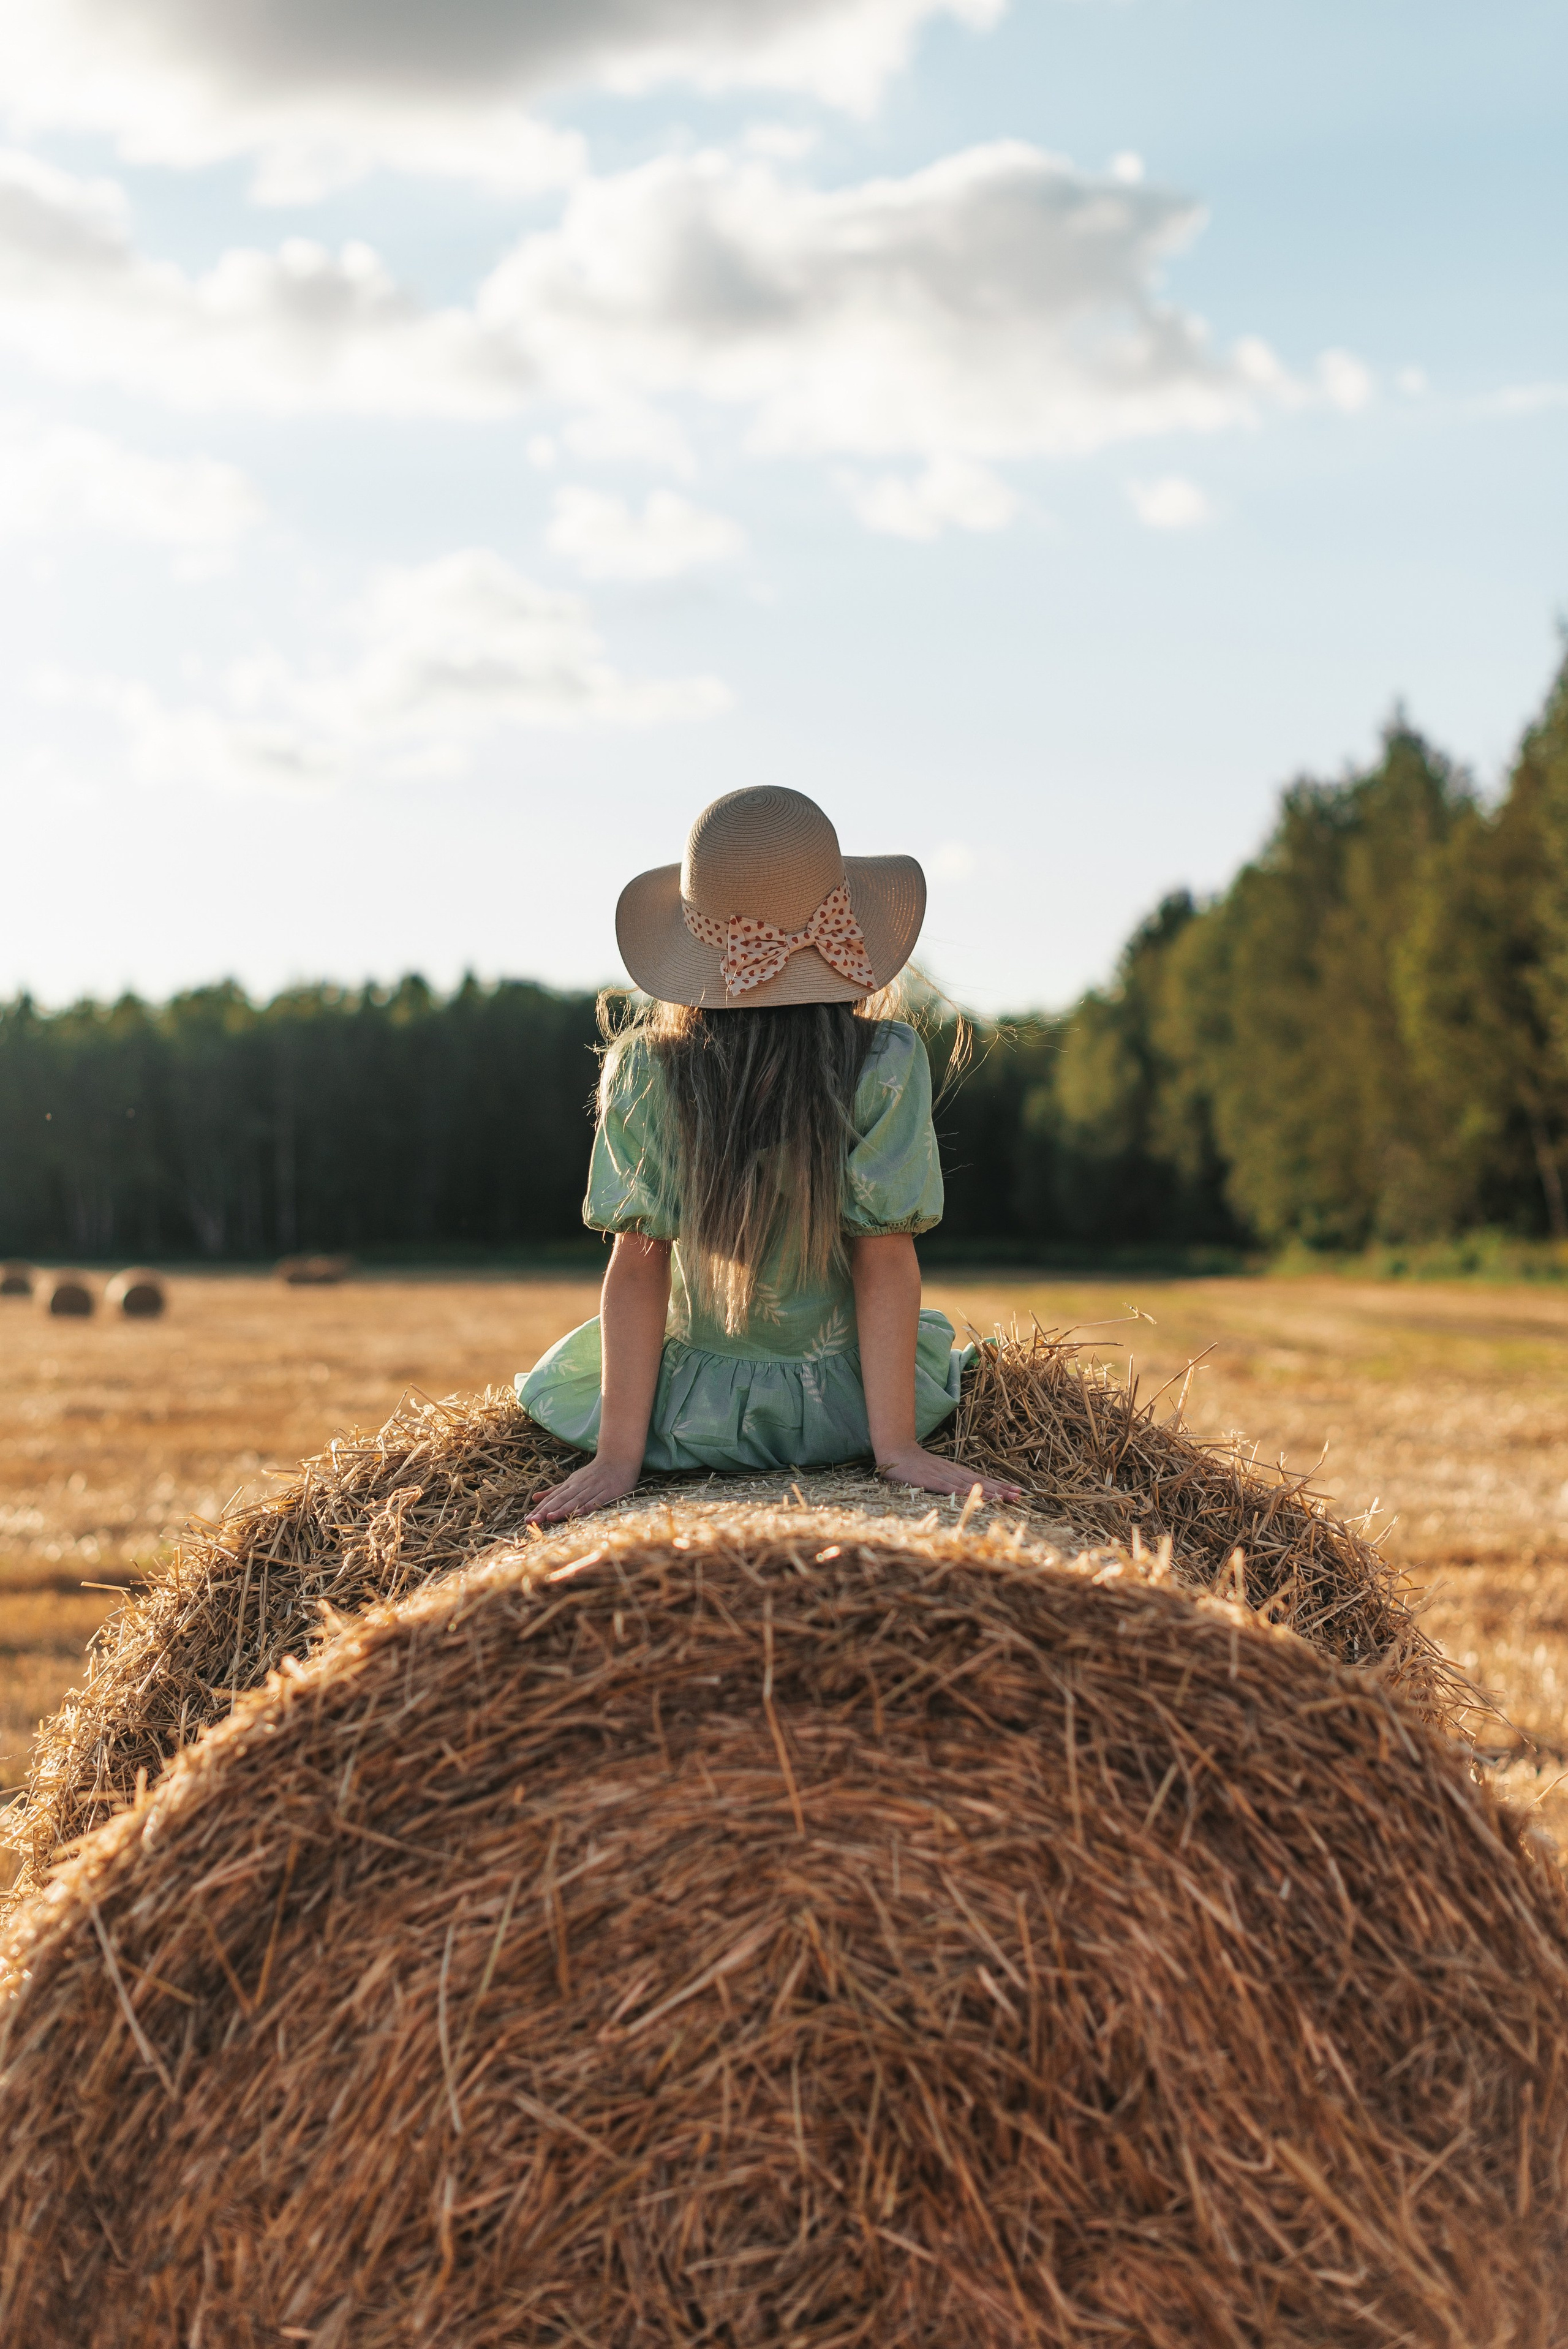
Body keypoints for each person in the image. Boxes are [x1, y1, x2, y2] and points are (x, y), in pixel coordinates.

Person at [520, 785, 1021, 1525]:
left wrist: (619, 1456)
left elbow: (638, 1259)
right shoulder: (886, 1057)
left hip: (686, 1414)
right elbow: (883, 1256)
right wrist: (896, 1449)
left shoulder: (646, 1068)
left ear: (692, 946)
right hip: (844, 1410)